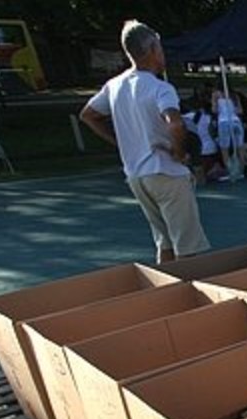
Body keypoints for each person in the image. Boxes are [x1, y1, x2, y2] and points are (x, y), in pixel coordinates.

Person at [81, 20, 210, 264]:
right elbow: (175, 122)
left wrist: (119, 142)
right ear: (151, 50)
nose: (163, 54)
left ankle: (164, 294)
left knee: (164, 242)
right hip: (166, 172)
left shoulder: (114, 85)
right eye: (160, 48)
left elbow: (88, 115)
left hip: (136, 175)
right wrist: (180, 152)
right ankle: (191, 297)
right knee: (186, 247)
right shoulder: (161, 88)